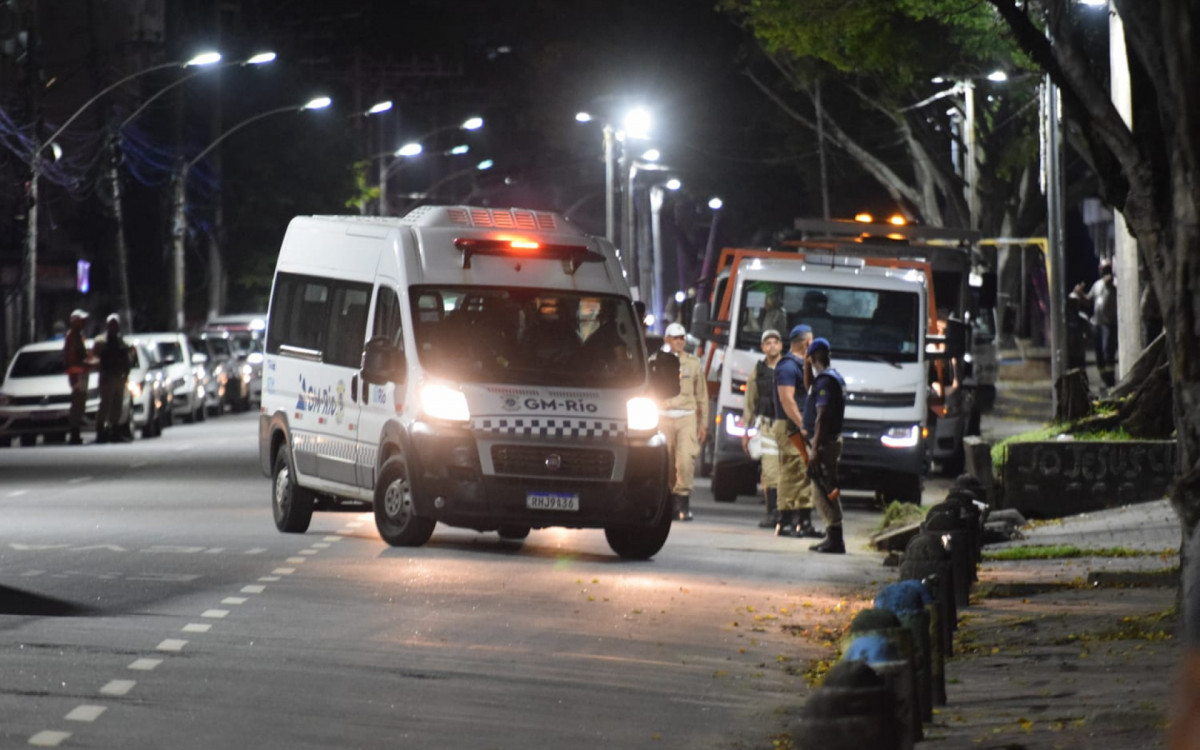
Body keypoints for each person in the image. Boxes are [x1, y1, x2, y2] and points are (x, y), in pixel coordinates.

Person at [772, 324, 822, 538]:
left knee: (805, 473)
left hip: (801, 426)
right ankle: (784, 521)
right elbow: (786, 399)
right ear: (807, 343)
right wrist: (802, 424)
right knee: (791, 472)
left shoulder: (803, 366)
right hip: (790, 427)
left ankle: (804, 522)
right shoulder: (787, 367)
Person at [655, 322, 708, 521]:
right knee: (664, 461)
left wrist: (703, 423)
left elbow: (701, 394)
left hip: (686, 416)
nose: (679, 341)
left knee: (685, 460)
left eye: (682, 338)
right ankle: (666, 502)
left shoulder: (693, 364)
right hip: (663, 415)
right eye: (675, 338)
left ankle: (682, 503)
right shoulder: (656, 361)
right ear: (666, 339)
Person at [802, 337, 847, 554]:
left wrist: (814, 449)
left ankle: (835, 538)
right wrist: (806, 364)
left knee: (821, 490)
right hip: (829, 440)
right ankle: (833, 537)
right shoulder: (831, 378)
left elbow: (821, 417)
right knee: (825, 486)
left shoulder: (825, 382)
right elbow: (808, 385)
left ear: (813, 357)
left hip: (824, 442)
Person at [741, 329, 784, 529]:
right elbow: (750, 402)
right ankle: (773, 513)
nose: (772, 345)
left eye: (776, 342)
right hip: (766, 426)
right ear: (763, 347)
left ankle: (789, 513)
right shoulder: (758, 371)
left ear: (781, 345)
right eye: (768, 343)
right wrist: (746, 431)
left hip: (787, 427)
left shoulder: (791, 367)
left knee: (790, 472)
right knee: (769, 471)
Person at [93, 313, 132, 443]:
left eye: (115, 324)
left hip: (118, 377)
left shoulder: (121, 341)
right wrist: (102, 373)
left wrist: (126, 374)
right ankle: (100, 431)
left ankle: (114, 429)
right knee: (105, 405)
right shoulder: (102, 341)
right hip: (107, 377)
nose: (113, 327)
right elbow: (95, 359)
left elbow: (127, 358)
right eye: (111, 324)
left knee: (117, 405)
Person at [62, 309, 93, 445]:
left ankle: (76, 432)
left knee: (80, 405)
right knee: (77, 405)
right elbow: (73, 357)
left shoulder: (79, 335)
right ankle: (74, 433)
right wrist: (86, 361)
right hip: (77, 374)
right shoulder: (72, 336)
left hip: (81, 373)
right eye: (81, 320)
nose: (84, 323)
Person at [1088, 260, 1118, 388]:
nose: (1104, 272)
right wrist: (1079, 296)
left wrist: (1110, 284)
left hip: (1108, 324)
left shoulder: (1114, 284)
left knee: (1107, 351)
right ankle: (1103, 375)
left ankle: (1110, 378)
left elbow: (1116, 293)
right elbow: (1089, 299)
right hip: (1097, 323)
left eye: (1106, 269)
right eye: (1102, 269)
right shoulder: (1097, 285)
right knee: (1098, 352)